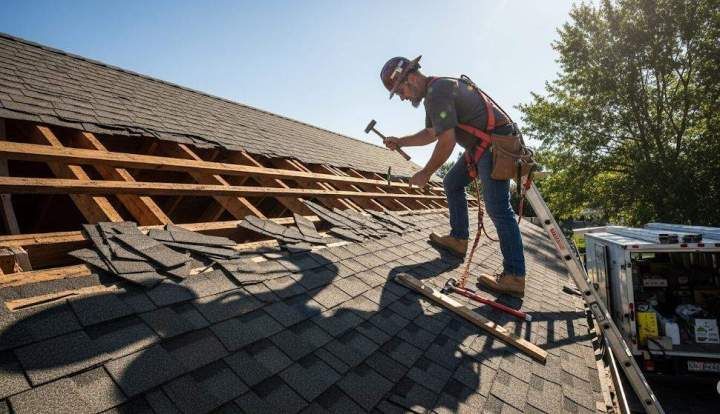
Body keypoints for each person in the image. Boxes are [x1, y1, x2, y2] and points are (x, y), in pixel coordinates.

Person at [379, 55, 526, 297]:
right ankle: (458, 239)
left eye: (401, 90)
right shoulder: (434, 93)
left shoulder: (437, 92)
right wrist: (401, 141)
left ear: (412, 78)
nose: (403, 98)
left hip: (494, 146)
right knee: (452, 183)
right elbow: (431, 133)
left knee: (497, 208)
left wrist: (425, 173)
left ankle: (515, 275)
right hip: (481, 147)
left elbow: (446, 142)